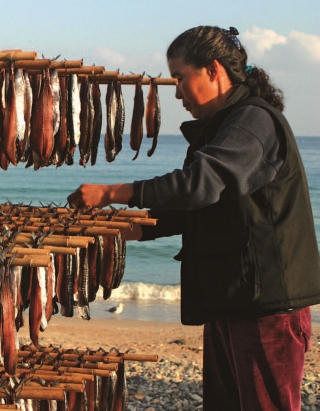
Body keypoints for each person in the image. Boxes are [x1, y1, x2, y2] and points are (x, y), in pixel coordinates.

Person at [68, 26, 320, 410]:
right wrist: (115, 230)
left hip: (267, 310)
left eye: (180, 79)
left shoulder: (253, 122)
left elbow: (199, 184)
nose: (178, 92)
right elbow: (187, 210)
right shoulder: (217, 130)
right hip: (232, 300)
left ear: (213, 70)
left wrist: (111, 192)